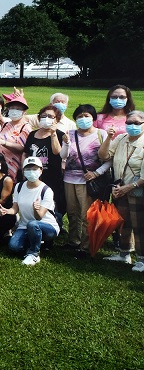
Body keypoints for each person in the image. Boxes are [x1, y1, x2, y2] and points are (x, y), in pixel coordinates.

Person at [97, 109, 144, 270]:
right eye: (129, 123)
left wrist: (128, 187)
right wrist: (108, 139)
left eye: (137, 123)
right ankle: (124, 254)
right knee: (123, 223)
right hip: (120, 189)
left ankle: (142, 259)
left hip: (138, 191)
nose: (132, 126)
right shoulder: (121, 138)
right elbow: (104, 156)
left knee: (140, 225)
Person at [62, 104, 110, 255]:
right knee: (72, 212)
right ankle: (73, 241)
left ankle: (85, 246)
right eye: (79, 117)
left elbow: (109, 159)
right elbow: (63, 156)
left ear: (93, 118)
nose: (83, 119)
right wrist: (66, 143)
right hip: (69, 178)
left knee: (86, 214)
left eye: (87, 116)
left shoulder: (101, 134)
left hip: (88, 180)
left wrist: (96, 173)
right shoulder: (69, 134)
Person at [0, 157, 58, 266]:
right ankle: (36, 241)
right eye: (28, 169)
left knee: (33, 224)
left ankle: (34, 254)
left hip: (46, 226)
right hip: (25, 226)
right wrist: (7, 211)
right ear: (23, 171)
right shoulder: (19, 186)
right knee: (14, 247)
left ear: (41, 170)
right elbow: (15, 208)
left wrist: (36, 209)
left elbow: (39, 217)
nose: (31, 172)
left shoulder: (46, 190)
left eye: (35, 169)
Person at [22, 105, 68, 224]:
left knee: (52, 201)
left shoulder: (60, 134)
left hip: (51, 175)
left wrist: (53, 133)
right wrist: (23, 169)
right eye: (43, 116)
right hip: (33, 174)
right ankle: (32, 221)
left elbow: (57, 152)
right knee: (34, 200)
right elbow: (26, 153)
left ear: (56, 120)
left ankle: (53, 223)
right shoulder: (32, 134)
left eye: (50, 116)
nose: (46, 118)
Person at [0, 94, 30, 181]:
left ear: (24, 111)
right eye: (12, 108)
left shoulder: (25, 127)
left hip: (14, 166)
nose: (14, 111)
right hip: (0, 164)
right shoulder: (7, 124)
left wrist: (4, 143)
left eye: (18, 109)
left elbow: (21, 148)